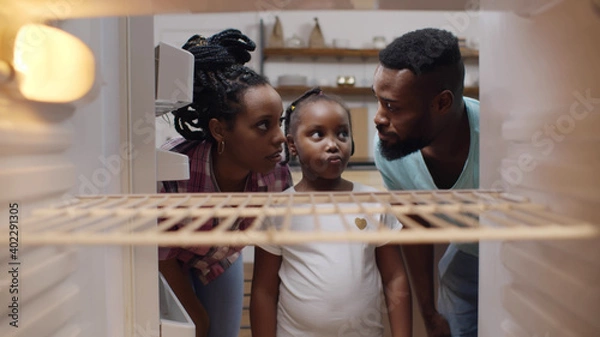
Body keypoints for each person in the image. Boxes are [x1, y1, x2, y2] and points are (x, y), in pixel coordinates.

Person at [158, 29, 293, 337]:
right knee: (192, 328)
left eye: (279, 122)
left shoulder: (277, 177)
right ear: (219, 131)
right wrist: (198, 321)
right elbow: (162, 257)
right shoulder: (175, 173)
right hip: (166, 260)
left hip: (217, 257)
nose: (280, 138)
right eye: (263, 125)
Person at [250, 88, 412, 337]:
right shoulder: (278, 209)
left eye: (342, 134)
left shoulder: (373, 203)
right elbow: (264, 291)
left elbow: (395, 277)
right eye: (318, 134)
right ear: (292, 145)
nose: (333, 144)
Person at [372, 28, 480, 337]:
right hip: (466, 258)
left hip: (517, 258)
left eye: (392, 106)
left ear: (442, 103)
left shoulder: (497, 141)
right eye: (378, 101)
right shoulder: (393, 151)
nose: (378, 118)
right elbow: (416, 226)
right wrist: (429, 314)